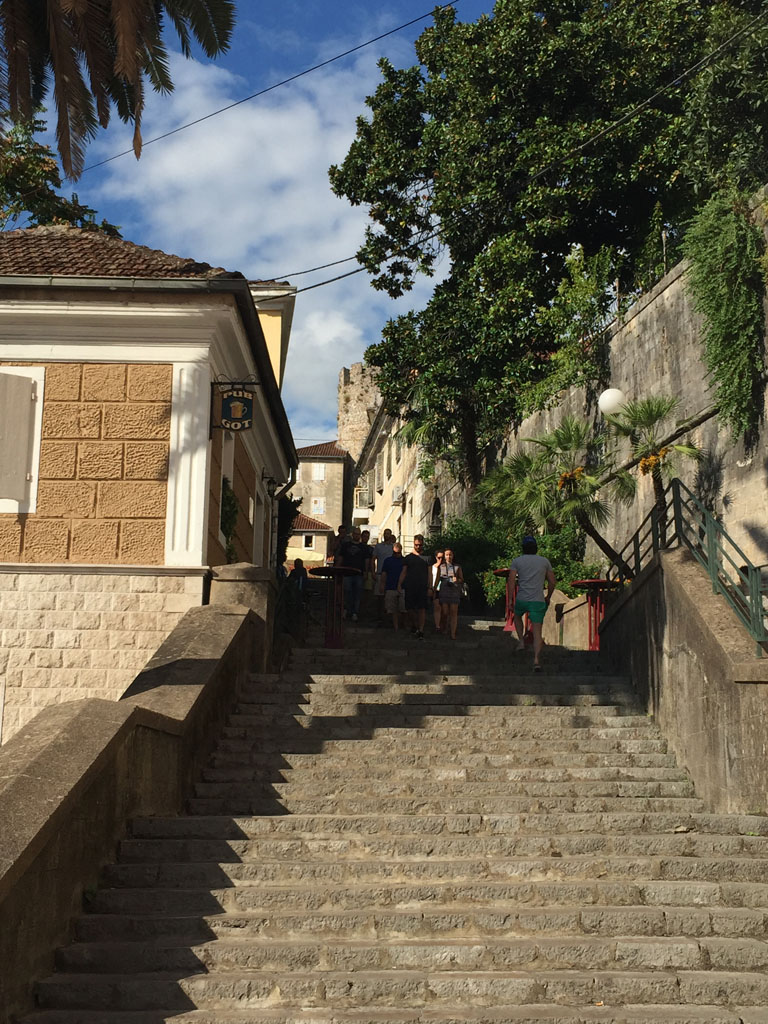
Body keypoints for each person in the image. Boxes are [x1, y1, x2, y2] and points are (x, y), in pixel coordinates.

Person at [506, 535, 556, 671]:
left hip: (522, 598)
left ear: (523, 548)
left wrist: (510, 600)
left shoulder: (517, 561)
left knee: (517, 616)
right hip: (538, 600)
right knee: (538, 631)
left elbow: (511, 581)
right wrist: (548, 596)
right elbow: (552, 581)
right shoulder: (544, 561)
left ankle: (521, 641)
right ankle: (536, 660)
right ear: (536, 548)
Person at [397, 534, 432, 639]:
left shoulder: (427, 558)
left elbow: (430, 573)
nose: (418, 547)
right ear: (413, 543)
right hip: (410, 586)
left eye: (420, 545)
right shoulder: (408, 558)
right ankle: (414, 625)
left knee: (422, 608)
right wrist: (399, 584)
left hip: (422, 587)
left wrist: (430, 587)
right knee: (409, 608)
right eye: (416, 545)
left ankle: (420, 629)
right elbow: (404, 572)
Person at [336, 526, 370, 621]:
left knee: (357, 594)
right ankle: (346, 609)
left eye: (358, 534)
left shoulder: (364, 547)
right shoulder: (345, 545)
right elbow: (341, 557)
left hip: (359, 573)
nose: (357, 536)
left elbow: (367, 560)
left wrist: (366, 572)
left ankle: (355, 612)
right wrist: (337, 569)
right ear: (352, 535)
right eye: (355, 534)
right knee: (347, 592)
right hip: (347, 573)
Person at [436, 548, 464, 640]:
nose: (449, 556)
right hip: (444, 590)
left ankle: (453, 633)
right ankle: (444, 627)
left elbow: (461, 579)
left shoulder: (457, 566)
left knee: (453, 612)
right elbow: (437, 578)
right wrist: (434, 589)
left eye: (450, 554)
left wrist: (457, 580)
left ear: (453, 556)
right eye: (447, 555)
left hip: (454, 590)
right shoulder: (441, 566)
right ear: (444, 556)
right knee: (445, 612)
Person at [379, 541, 406, 630]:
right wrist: (382, 585)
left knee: (403, 608)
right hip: (390, 586)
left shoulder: (405, 561)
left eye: (398, 553)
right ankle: (396, 627)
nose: (397, 554)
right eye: (395, 553)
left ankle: (402, 624)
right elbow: (384, 573)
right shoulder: (388, 560)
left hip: (403, 587)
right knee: (392, 609)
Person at [373, 528, 396, 625]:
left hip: (391, 575)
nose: (387, 535)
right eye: (385, 533)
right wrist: (373, 572)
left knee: (390, 597)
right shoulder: (378, 546)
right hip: (380, 573)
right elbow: (373, 559)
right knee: (380, 597)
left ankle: (389, 617)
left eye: (388, 533)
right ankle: (379, 617)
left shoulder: (394, 547)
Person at [430, 550, 445, 632]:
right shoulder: (432, 567)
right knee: (437, 607)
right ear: (436, 557)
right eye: (439, 557)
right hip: (436, 589)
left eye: (442, 558)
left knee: (444, 608)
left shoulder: (446, 567)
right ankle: (437, 625)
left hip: (445, 589)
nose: (440, 559)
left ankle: (443, 624)